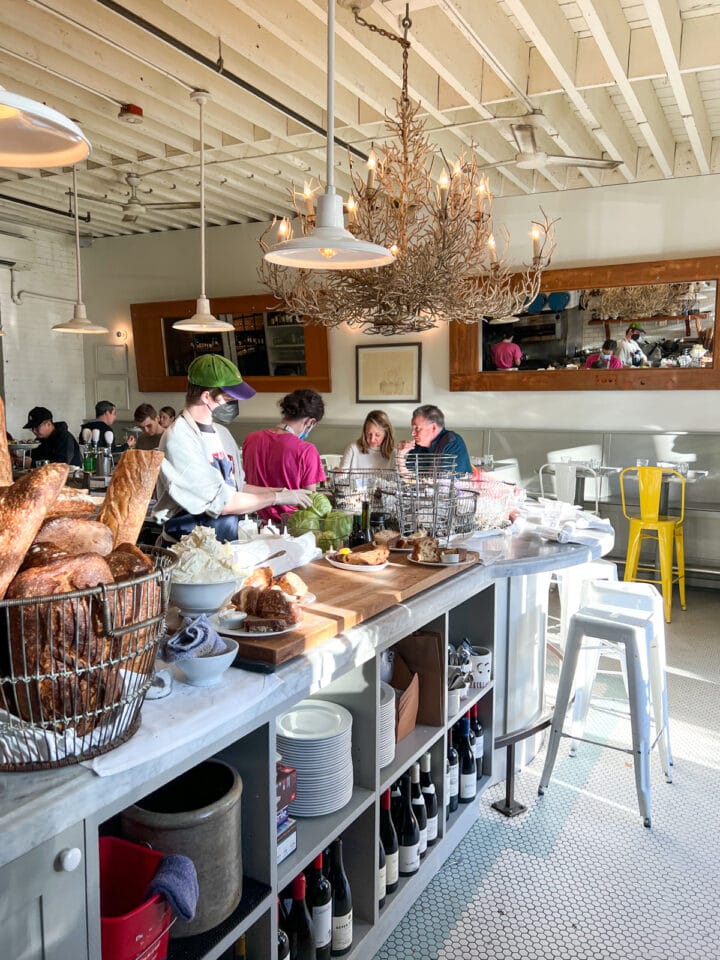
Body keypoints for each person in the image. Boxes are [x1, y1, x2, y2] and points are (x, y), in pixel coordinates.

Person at [154, 354, 312, 543]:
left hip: (225, 544)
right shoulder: (179, 439)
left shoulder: (222, 434)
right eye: (229, 398)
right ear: (207, 396)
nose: (234, 404)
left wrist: (282, 490)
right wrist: (277, 498)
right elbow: (224, 503)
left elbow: (237, 487)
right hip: (186, 547)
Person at [242, 389, 326, 524]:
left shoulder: (251, 439)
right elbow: (310, 502)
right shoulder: (306, 450)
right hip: (292, 526)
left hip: (253, 523)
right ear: (310, 422)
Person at [397, 405, 472, 474]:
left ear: (433, 427)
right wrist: (401, 456)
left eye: (417, 428)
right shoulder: (419, 445)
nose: (412, 433)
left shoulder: (452, 443)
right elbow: (409, 479)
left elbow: (444, 483)